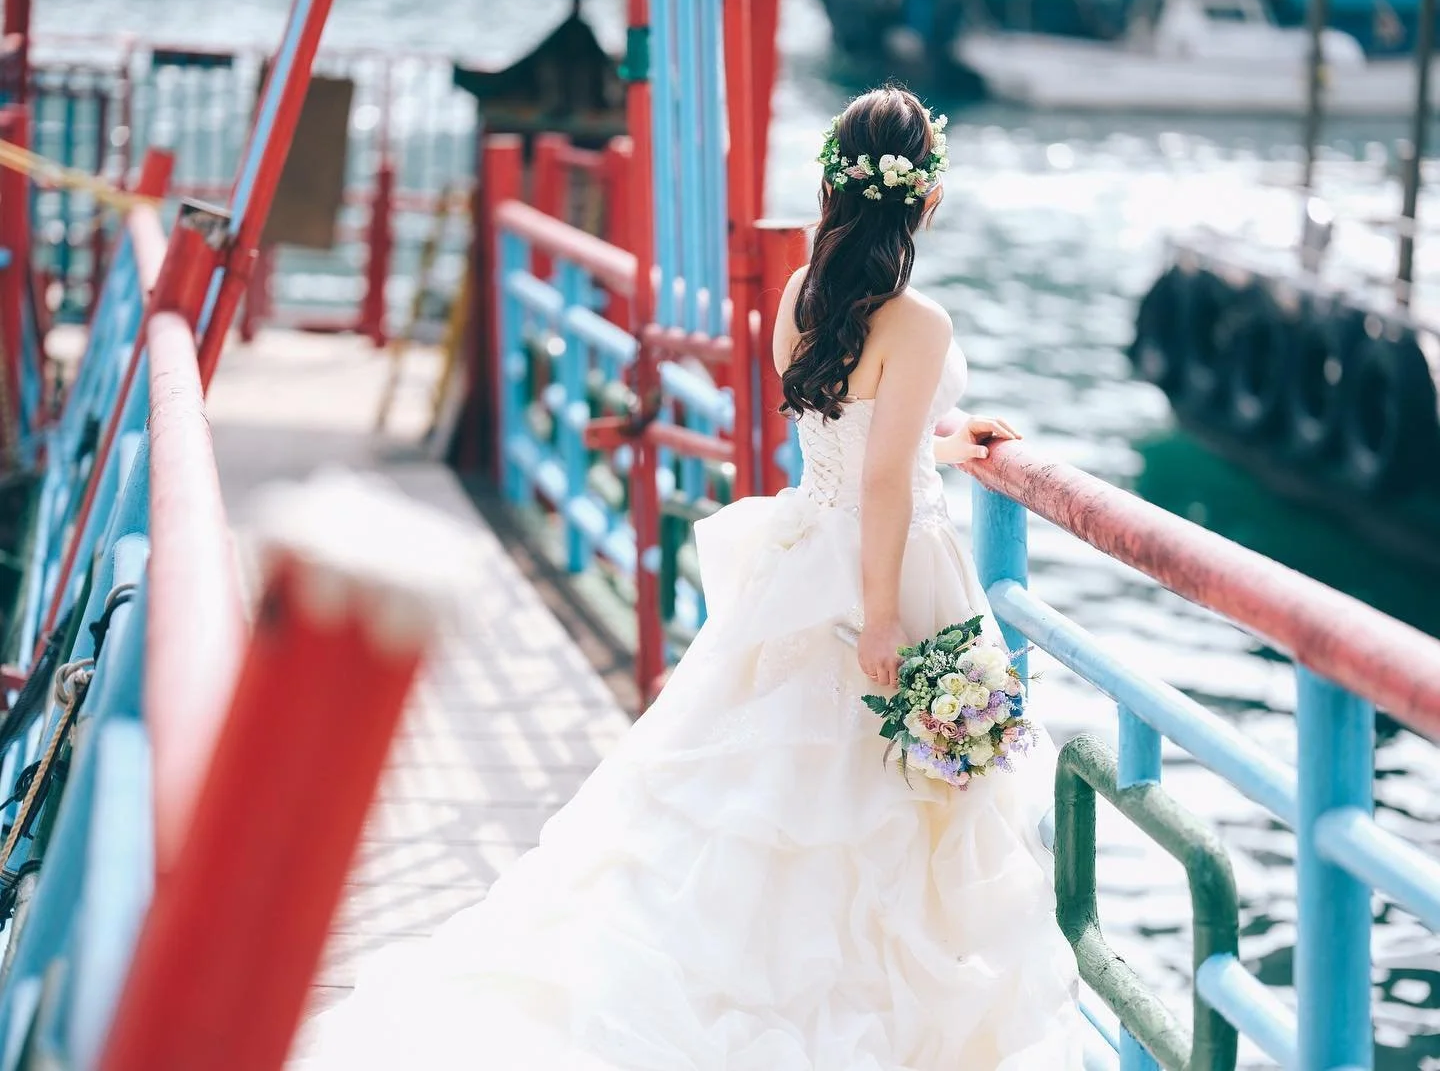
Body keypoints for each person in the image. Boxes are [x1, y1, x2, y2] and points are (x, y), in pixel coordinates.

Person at [301, 84, 1086, 1070]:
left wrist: (949, 444)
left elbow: (851, 438)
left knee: (777, 793)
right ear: (927, 200)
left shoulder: (806, 291)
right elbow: (884, 482)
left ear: (833, 182)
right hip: (889, 569)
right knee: (884, 807)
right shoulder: (917, 320)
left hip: (807, 550)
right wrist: (884, 618)